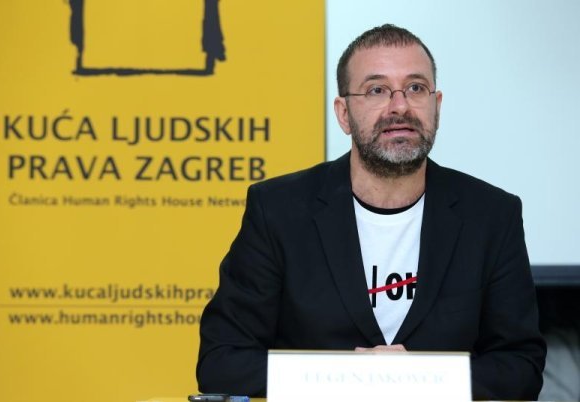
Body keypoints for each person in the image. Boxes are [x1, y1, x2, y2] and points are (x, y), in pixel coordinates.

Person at [197, 24, 546, 400]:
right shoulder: (279, 210)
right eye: (377, 90)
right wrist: (353, 377)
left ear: (437, 106)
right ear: (343, 114)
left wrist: (419, 379)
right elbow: (221, 362)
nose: (400, 106)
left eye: (416, 88)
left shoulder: (492, 215)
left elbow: (521, 367)